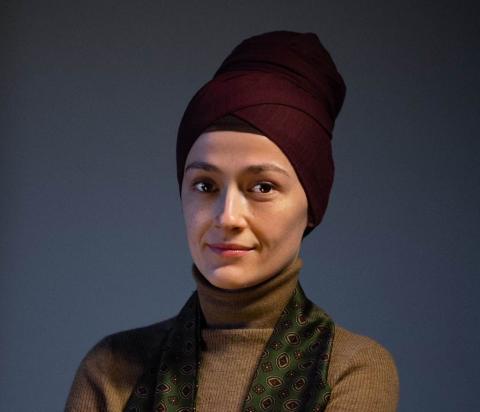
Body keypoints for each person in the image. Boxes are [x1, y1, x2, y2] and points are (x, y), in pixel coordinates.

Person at [65, 31, 399, 411]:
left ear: (312, 206)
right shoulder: (113, 369)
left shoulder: (349, 369)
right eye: (205, 185)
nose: (227, 217)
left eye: (262, 187)